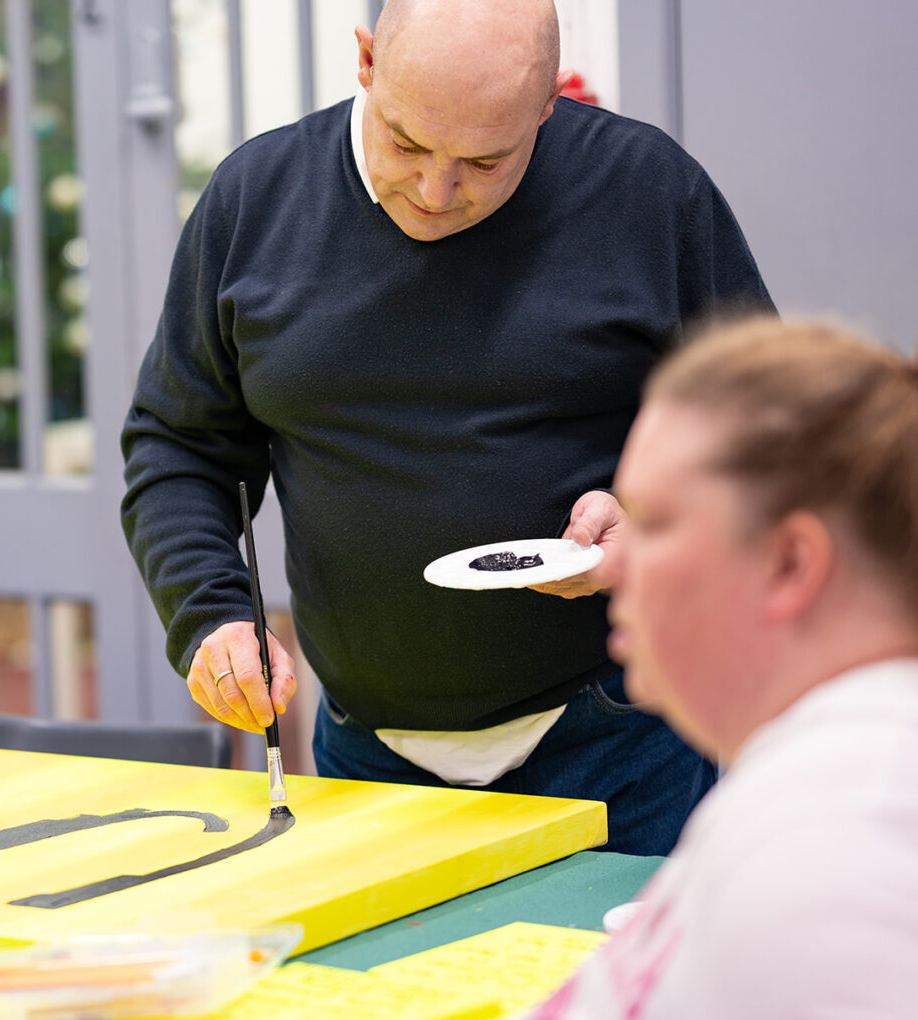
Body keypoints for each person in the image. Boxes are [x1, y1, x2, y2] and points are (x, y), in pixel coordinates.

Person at [120, 0, 773, 855]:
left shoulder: (648, 193)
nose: (436, 192)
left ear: (546, 104)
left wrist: (651, 527)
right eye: (406, 143)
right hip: (365, 750)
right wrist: (208, 615)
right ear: (365, 63)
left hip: (616, 739)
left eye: (485, 160)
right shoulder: (256, 201)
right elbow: (178, 446)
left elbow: (766, 440)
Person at [523, 316, 918, 1018]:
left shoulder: (846, 848)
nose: (612, 557)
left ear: (789, 562)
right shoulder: (806, 784)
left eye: (655, 522)